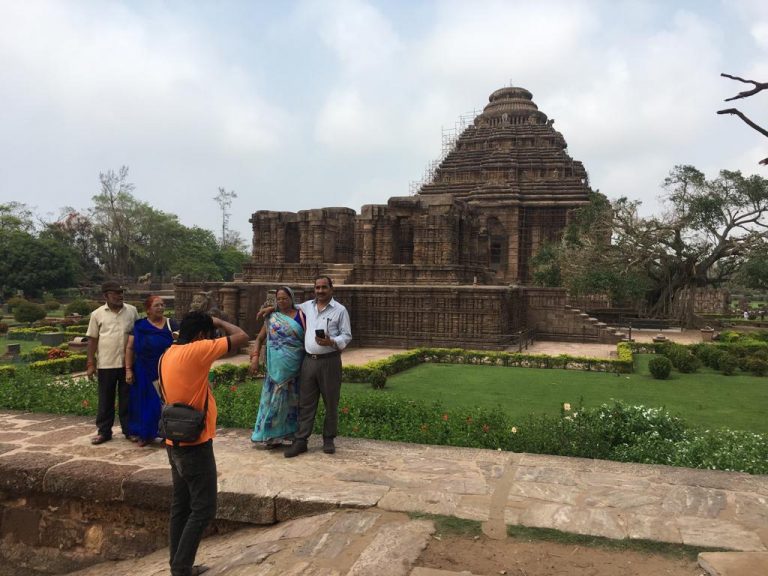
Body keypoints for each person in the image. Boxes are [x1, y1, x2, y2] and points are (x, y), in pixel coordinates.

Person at [159, 311, 248, 576]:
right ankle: (181, 567)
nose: (213, 338)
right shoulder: (198, 349)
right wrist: (219, 321)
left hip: (173, 439)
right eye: (209, 334)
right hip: (195, 443)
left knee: (181, 505)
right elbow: (242, 337)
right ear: (200, 335)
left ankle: (177, 562)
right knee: (204, 507)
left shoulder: (168, 354)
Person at [276, 275, 352, 458]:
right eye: (317, 288)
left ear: (331, 289)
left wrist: (331, 341)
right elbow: (287, 307)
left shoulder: (340, 310)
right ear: (314, 289)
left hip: (330, 361)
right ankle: (301, 440)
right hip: (309, 361)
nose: (320, 291)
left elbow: (347, 335)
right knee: (306, 402)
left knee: (331, 402)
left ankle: (328, 438)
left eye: (324, 287)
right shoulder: (307, 306)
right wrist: (272, 308)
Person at [249, 286, 306, 448]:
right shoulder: (272, 317)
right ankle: (270, 436)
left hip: (294, 367)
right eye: (278, 299)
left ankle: (289, 434)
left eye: (285, 298)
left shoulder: (301, 316)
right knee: (271, 402)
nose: (281, 302)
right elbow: (260, 339)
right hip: (274, 369)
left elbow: (306, 340)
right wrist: (254, 358)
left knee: (291, 403)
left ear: (292, 299)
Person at [87, 281, 140, 445]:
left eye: (121, 292)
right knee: (105, 399)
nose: (120, 296)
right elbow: (92, 339)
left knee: (128, 399)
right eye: (115, 293)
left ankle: (129, 430)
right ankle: (104, 432)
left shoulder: (131, 311)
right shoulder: (97, 314)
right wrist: (90, 363)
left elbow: (137, 334)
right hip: (106, 363)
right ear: (106, 296)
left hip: (128, 364)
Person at [124, 295, 177, 447]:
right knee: (143, 402)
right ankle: (145, 434)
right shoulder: (140, 326)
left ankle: (166, 435)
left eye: (162, 305)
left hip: (165, 369)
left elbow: (181, 343)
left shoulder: (171, 324)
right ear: (148, 310)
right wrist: (128, 369)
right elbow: (130, 348)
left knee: (165, 402)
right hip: (143, 370)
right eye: (157, 305)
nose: (161, 308)